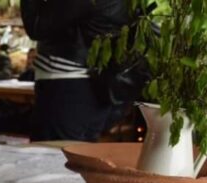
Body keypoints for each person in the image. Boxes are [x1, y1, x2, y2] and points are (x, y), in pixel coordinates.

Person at [21, 0, 130, 141]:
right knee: (78, 150)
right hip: (99, 82)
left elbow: (36, 26)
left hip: (67, 82)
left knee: (53, 151)